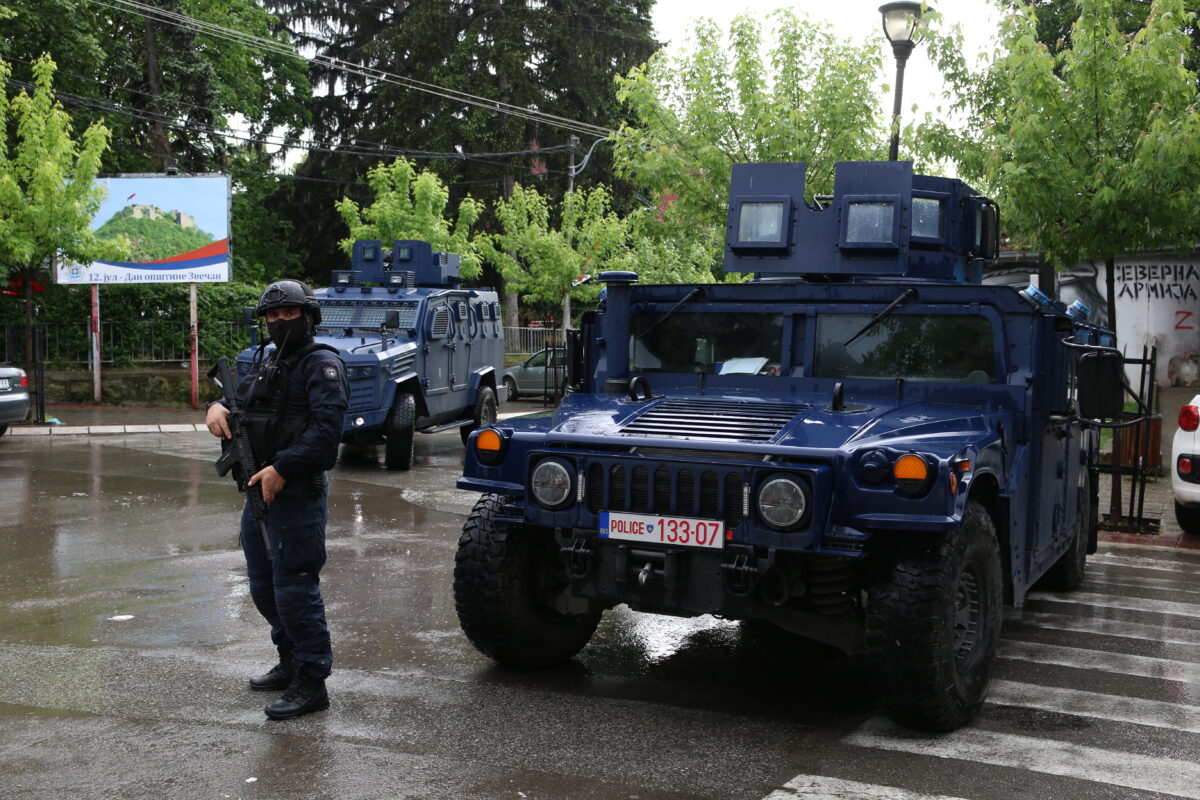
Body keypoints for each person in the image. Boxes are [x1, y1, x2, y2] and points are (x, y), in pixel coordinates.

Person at [205, 279, 347, 720]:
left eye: (290, 314)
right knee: (264, 588)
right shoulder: (269, 360)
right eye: (273, 315)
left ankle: (312, 682)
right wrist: (215, 407)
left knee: (295, 590)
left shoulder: (321, 364)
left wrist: (283, 468)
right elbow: (245, 406)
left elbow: (327, 433)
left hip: (296, 491)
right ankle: (290, 661)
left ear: (308, 317)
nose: (280, 322)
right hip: (259, 490)